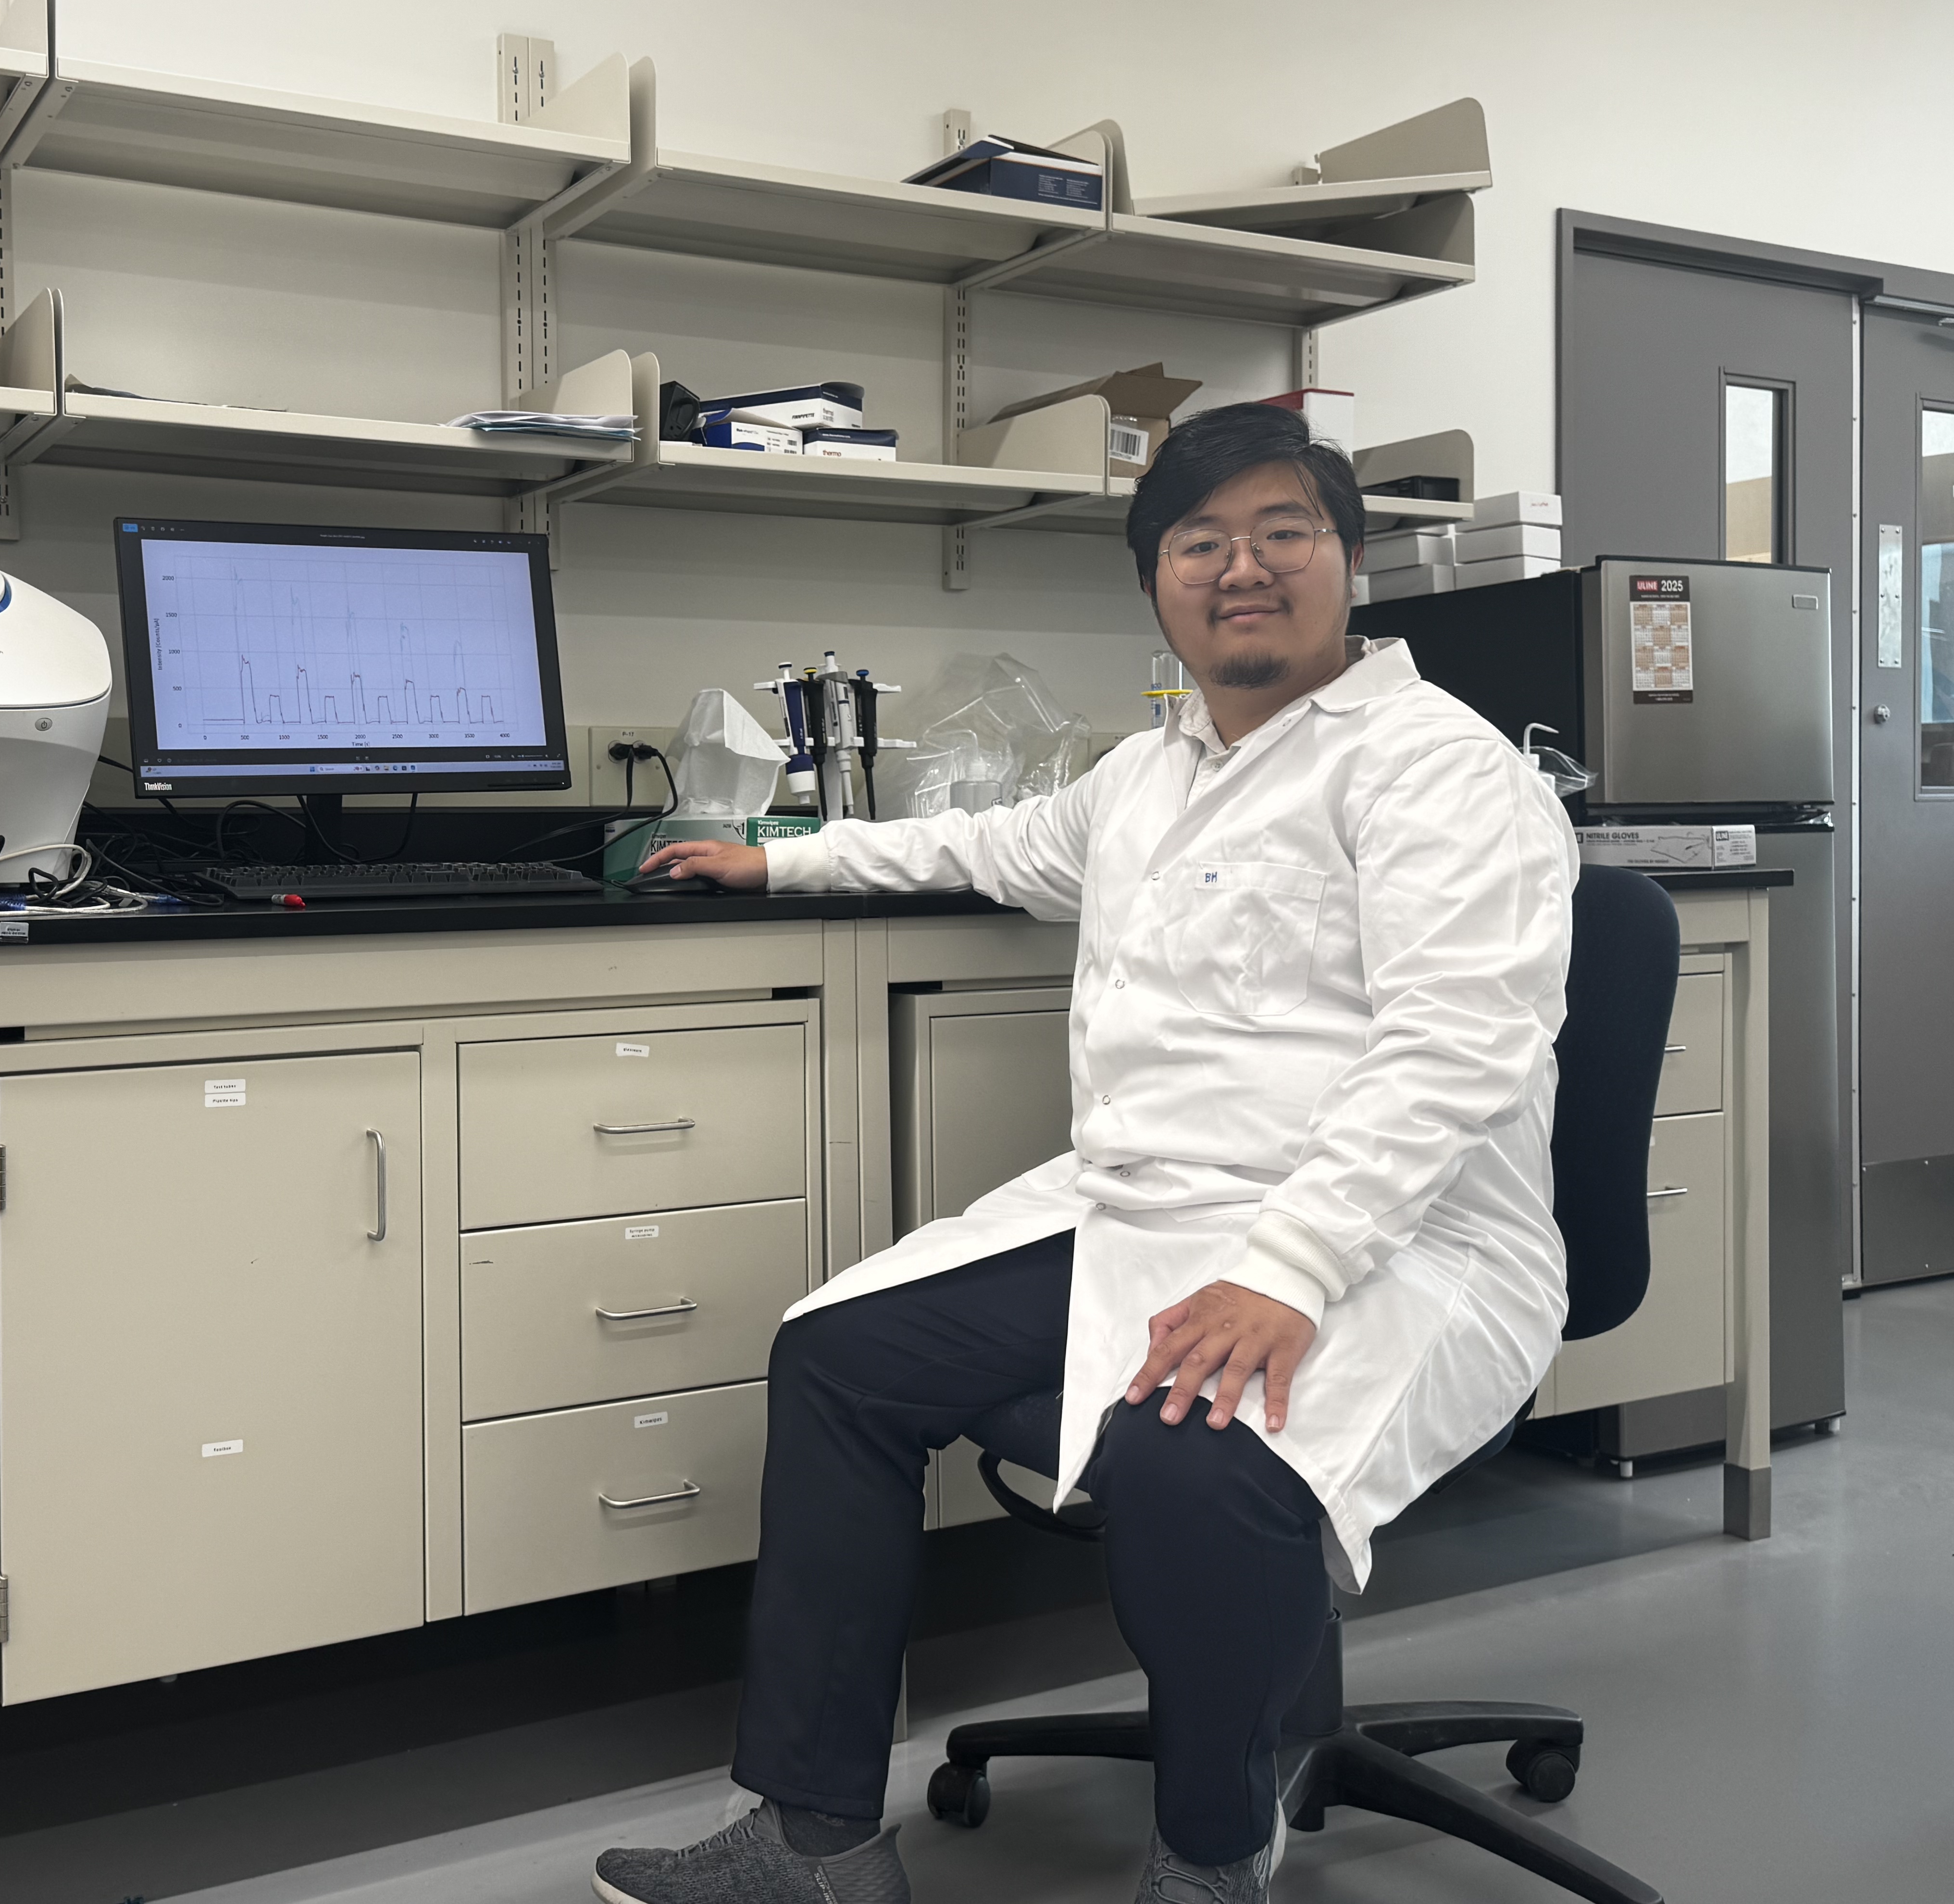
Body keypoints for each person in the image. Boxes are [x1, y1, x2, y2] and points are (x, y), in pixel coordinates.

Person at [596, 401, 1578, 1904]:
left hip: (1403, 1239)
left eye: (1284, 531)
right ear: (1155, 582)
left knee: (1195, 1457)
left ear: (1351, 560)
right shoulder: (1148, 774)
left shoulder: (1440, 770)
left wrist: (1291, 1268)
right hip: (1147, 1216)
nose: (1241, 567)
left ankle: (1209, 1857)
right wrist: (780, 855)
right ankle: (812, 1841)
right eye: (1199, 541)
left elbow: (1451, 1051)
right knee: (839, 1358)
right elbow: (980, 844)